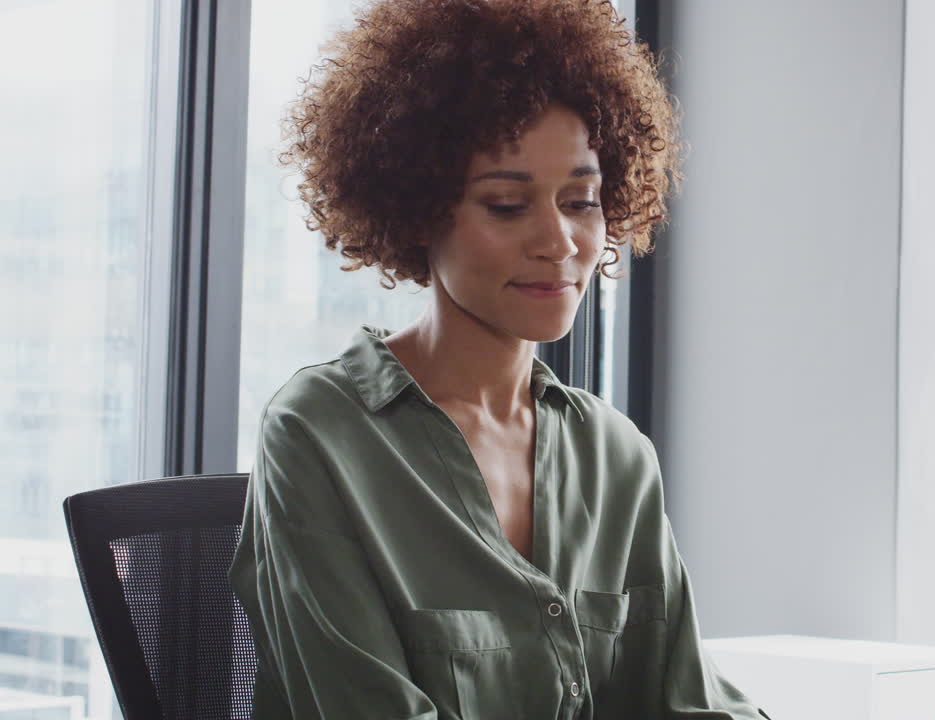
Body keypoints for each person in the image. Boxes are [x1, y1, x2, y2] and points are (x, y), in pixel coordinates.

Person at [228, 0, 771, 718]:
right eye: (508, 206)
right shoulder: (320, 435)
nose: (559, 241)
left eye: (580, 200)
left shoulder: (615, 458)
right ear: (421, 211)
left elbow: (680, 698)